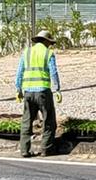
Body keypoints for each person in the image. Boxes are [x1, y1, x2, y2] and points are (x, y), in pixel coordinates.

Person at [16, 30, 62, 158]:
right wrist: (57, 89)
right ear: (46, 41)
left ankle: (24, 150)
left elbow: (19, 72)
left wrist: (18, 89)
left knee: (27, 121)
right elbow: (53, 73)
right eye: (50, 42)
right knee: (49, 121)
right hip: (43, 91)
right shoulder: (48, 53)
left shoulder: (26, 52)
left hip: (28, 92)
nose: (50, 45)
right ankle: (46, 149)